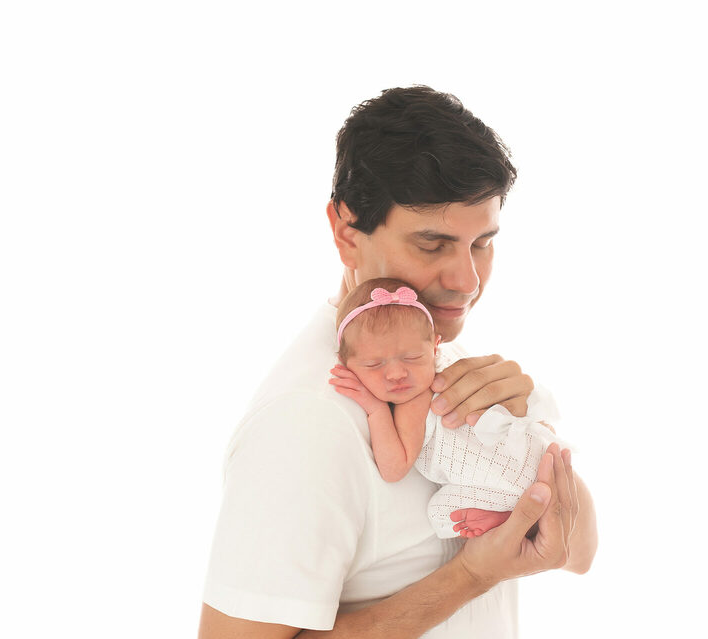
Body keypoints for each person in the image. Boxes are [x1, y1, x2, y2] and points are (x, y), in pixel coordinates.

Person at [198, 85, 598, 638]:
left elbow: (577, 554)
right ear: (347, 233)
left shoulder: (448, 365)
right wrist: (471, 576)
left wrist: (535, 445)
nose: (468, 281)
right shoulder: (307, 419)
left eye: (482, 243)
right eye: (432, 245)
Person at [330, 277, 574, 539]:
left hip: (506, 484)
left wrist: (376, 410)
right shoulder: (454, 361)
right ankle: (515, 513)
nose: (397, 374)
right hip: (540, 453)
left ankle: (507, 516)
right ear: (344, 362)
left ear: (435, 347)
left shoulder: (413, 402)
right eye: (374, 364)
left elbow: (393, 469)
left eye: (412, 358)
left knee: (438, 513)